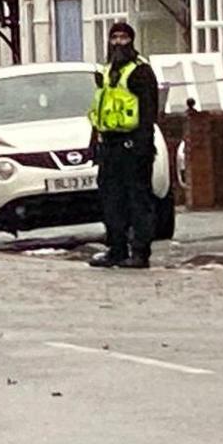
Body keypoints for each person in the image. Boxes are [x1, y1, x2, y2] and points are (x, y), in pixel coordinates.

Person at [87, 20, 164, 269]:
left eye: (123, 38)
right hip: (109, 146)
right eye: (114, 38)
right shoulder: (106, 71)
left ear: (132, 41)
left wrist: (142, 146)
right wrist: (94, 143)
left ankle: (140, 252)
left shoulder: (141, 71)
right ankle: (116, 249)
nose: (118, 43)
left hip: (133, 145)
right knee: (111, 200)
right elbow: (99, 110)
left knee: (137, 200)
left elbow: (149, 112)